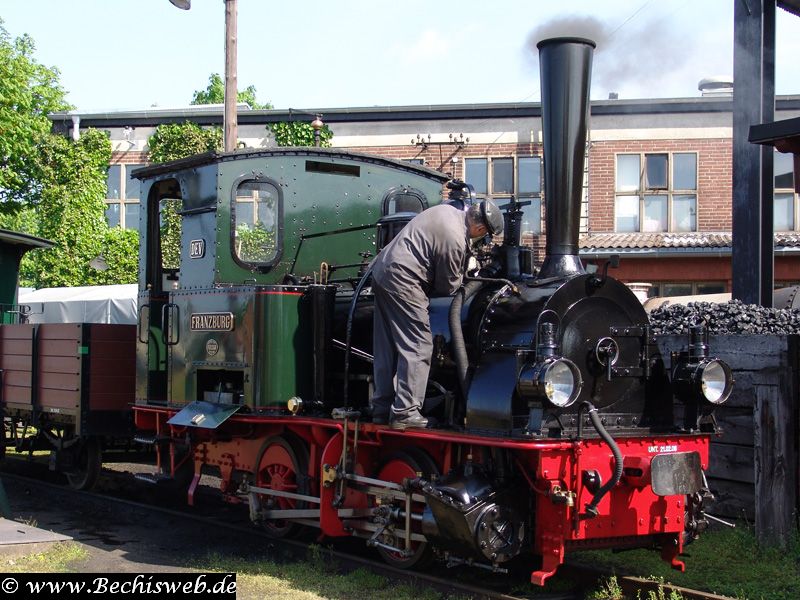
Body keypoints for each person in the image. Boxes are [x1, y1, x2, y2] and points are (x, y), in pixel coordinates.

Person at [370, 200, 504, 429]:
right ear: (481, 229)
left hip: (382, 272)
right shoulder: (454, 239)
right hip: (405, 279)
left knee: (387, 346)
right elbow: (448, 287)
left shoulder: (446, 210)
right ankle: (405, 412)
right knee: (418, 346)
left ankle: (381, 408)